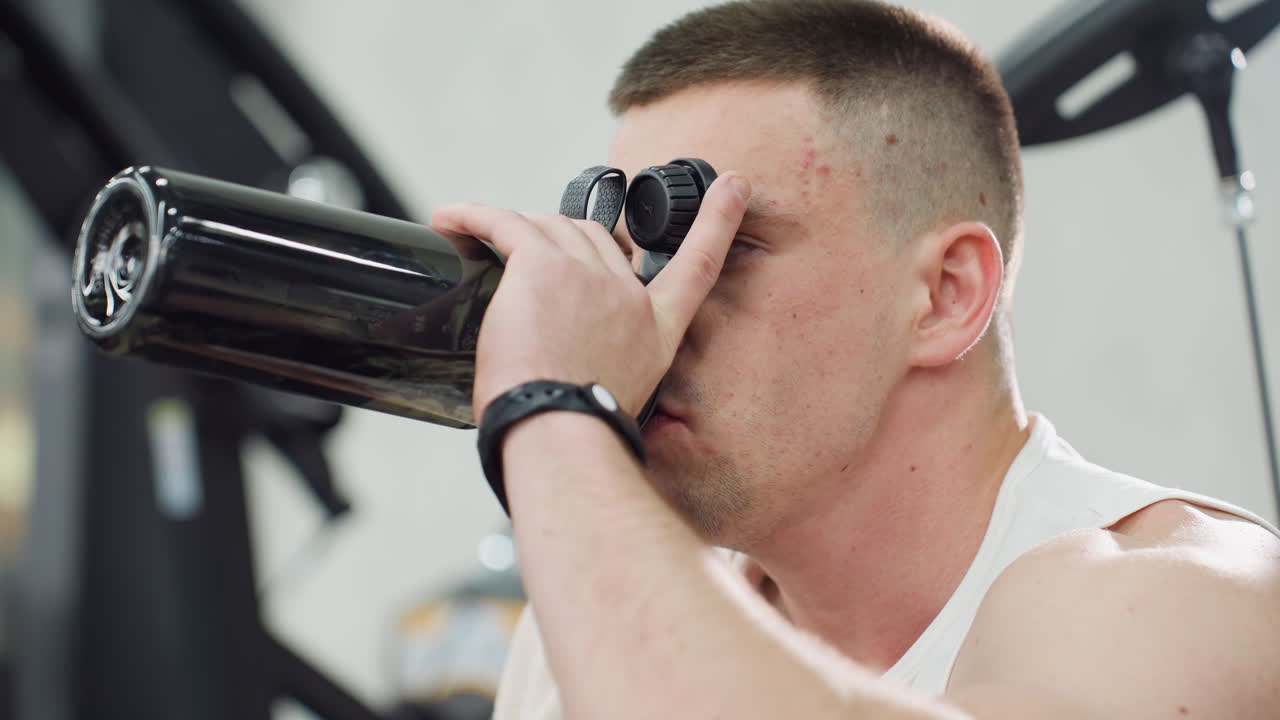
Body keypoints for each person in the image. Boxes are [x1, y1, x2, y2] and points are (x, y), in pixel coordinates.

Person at [430, 1, 1280, 717]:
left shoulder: (1177, 599)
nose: (650, 310)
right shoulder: (589, 608)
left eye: (723, 248)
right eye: (621, 258)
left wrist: (549, 411)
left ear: (946, 295)